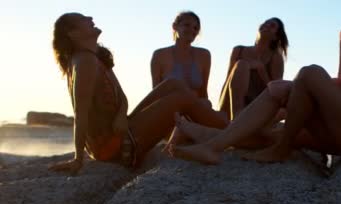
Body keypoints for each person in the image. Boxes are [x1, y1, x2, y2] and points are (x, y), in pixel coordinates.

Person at [168, 0, 341, 166]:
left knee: (310, 73)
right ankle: (209, 142)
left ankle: (281, 149)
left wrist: (296, 89)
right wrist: (294, 99)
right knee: (271, 131)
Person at [49, 13, 227, 175]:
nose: (90, 18)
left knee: (173, 84)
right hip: (116, 148)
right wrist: (78, 158)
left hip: (122, 129)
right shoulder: (85, 61)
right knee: (180, 98)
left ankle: (217, 128)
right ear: (73, 34)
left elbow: (122, 97)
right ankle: (231, 130)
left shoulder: (95, 56)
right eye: (83, 19)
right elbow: (80, 113)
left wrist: (121, 115)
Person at [218, 18, 288, 120]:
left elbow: (276, 93)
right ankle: (236, 118)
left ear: (275, 36)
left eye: (272, 25)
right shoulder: (238, 50)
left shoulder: (275, 58)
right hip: (231, 104)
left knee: (285, 111)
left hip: (255, 107)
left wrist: (262, 70)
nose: (266, 25)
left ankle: (243, 121)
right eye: (265, 22)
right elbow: (228, 81)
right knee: (241, 65)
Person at [151, 11, 211, 100]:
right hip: (169, 108)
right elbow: (155, 93)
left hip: (195, 108)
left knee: (210, 106)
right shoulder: (160, 55)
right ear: (175, 26)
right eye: (187, 25)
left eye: (195, 28)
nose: (192, 30)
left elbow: (203, 92)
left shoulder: (204, 55)